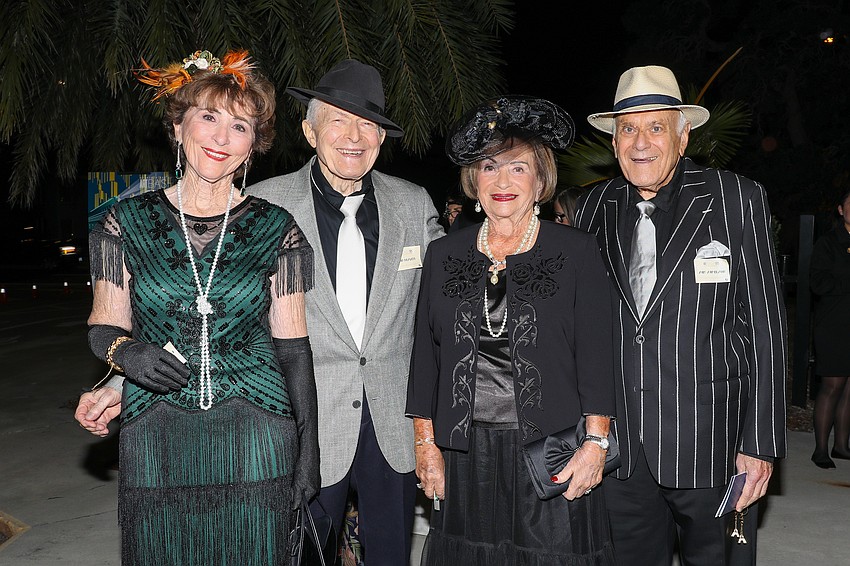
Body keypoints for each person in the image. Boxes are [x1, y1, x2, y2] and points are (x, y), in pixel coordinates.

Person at [80, 49, 318, 564]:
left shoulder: (278, 229)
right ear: (178, 127)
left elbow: (295, 352)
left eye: (240, 126)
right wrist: (127, 353)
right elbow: (103, 326)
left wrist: (308, 452)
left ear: (253, 145)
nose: (221, 137)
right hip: (158, 429)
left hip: (259, 432)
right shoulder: (126, 222)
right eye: (208, 117)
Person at [574, 65, 787, 565]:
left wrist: (759, 443)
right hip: (621, 453)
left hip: (712, 445)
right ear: (614, 140)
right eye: (628, 128)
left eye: (655, 126)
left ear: (683, 133)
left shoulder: (736, 198)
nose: (641, 141)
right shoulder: (593, 206)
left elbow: (766, 328)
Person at [249, 59, 443, 564]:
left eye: (368, 124)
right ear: (310, 131)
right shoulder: (264, 205)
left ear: (381, 138)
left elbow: (446, 303)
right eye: (338, 119)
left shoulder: (413, 204)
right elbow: (224, 314)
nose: (354, 136)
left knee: (391, 557)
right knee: (302, 556)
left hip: (394, 428)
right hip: (303, 427)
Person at [408, 96, 617, 564]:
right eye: (488, 167)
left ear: (540, 178)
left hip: (550, 449)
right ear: (472, 180)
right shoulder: (445, 255)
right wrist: (426, 446)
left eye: (518, 168)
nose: (502, 182)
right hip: (465, 455)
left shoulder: (576, 251)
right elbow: (426, 358)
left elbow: (598, 355)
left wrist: (596, 444)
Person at [809, 187, 850, 468]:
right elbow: (818, 282)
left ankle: (842, 446)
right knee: (833, 385)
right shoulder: (828, 242)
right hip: (833, 324)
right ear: (841, 210)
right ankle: (820, 448)